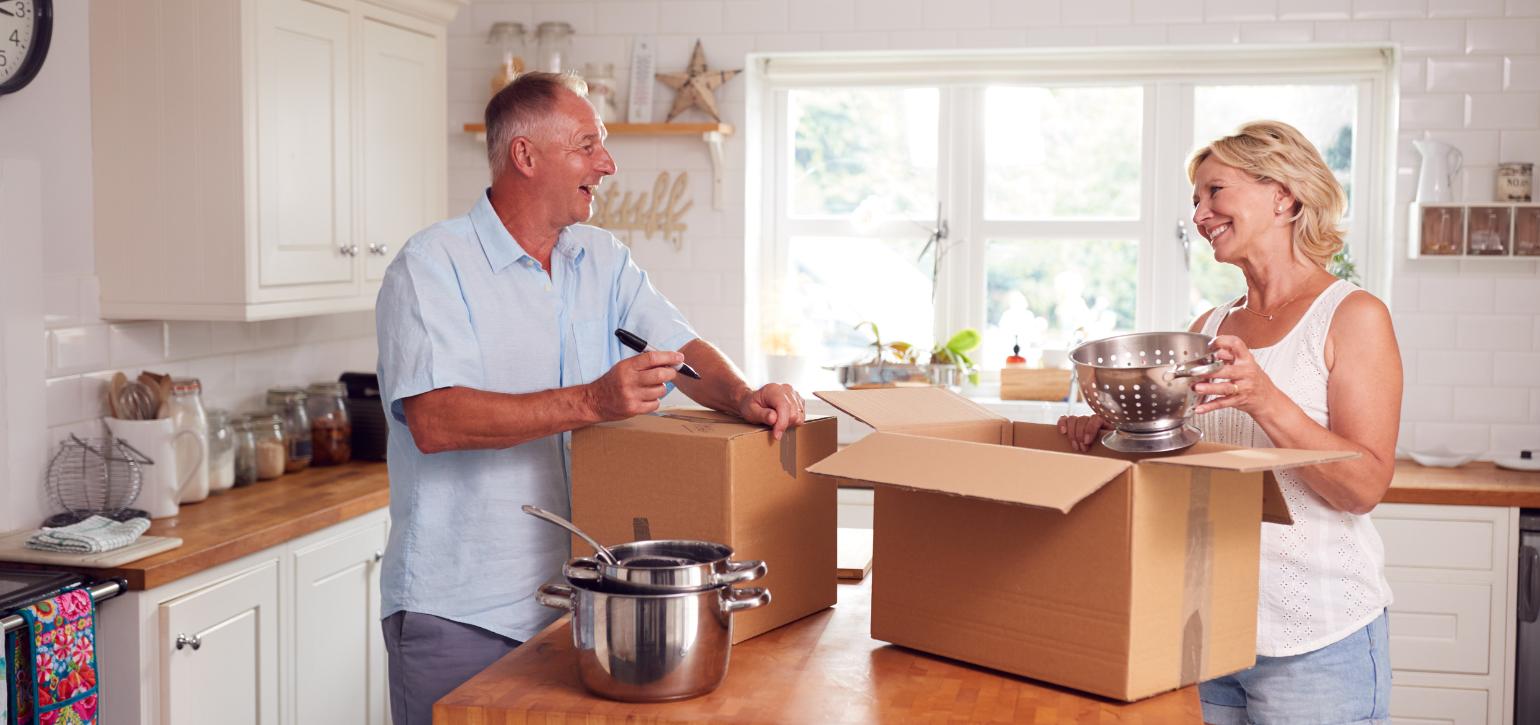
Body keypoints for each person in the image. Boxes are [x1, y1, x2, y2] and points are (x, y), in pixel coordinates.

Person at [373, 71, 806, 725]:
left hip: (580, 604)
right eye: (587, 145)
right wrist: (593, 401)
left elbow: (681, 350)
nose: (606, 164)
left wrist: (744, 395)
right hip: (459, 611)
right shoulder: (431, 266)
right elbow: (436, 420)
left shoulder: (599, 258)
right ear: (525, 155)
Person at [1059, 120, 1401, 724]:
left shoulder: (1353, 316)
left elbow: (1364, 487)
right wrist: (1109, 432)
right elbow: (1180, 467)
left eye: (1215, 191)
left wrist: (1265, 400)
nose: (1199, 213)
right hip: (1208, 631)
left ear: (1284, 195)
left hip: (1317, 641)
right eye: (1195, 199)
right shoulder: (1208, 328)